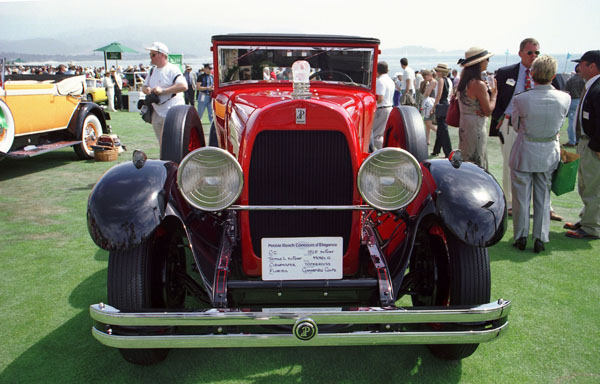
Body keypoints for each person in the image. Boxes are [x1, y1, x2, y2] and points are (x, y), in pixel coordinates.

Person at [490, 38, 563, 220]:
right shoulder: (506, 73)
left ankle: (546, 207)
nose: (534, 56)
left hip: (540, 127)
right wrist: (499, 119)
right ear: (520, 53)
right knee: (510, 164)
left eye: (537, 52)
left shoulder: (549, 74)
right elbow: (497, 98)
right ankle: (510, 204)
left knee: (544, 169)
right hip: (511, 124)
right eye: (530, 52)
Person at [510, 55, 570, 253]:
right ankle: (540, 237)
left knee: (521, 197)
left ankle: (520, 236)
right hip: (547, 151)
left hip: (525, 149)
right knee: (543, 197)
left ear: (533, 73)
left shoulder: (522, 98)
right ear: (553, 75)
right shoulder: (564, 98)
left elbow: (516, 125)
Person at [564, 50, 600, 240]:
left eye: (583, 64)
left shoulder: (597, 88)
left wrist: (597, 146)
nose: (579, 68)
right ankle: (586, 219)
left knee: (593, 187)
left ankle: (591, 227)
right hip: (586, 142)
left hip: (592, 145)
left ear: (592, 66)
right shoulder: (592, 86)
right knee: (586, 184)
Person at [456, 47, 497, 169]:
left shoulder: (463, 82)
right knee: (478, 160)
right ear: (479, 63)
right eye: (486, 59)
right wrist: (494, 95)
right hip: (476, 127)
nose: (488, 62)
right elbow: (488, 111)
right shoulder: (478, 84)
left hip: (464, 124)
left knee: (465, 159)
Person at [142, 42, 188, 145]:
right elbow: (144, 87)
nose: (151, 57)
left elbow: (183, 86)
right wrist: (147, 89)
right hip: (157, 111)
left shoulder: (173, 69)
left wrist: (163, 91)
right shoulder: (152, 70)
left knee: (174, 143)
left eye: (153, 55)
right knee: (162, 143)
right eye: (150, 55)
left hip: (172, 112)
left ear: (162, 55)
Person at [370, 61, 395, 151]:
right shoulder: (390, 80)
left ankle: (388, 153)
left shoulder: (380, 81)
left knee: (376, 135)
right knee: (381, 134)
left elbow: (380, 98)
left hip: (382, 109)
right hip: (388, 107)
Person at [431, 63, 453, 157]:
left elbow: (439, 94)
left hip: (441, 104)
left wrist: (434, 106)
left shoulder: (440, 80)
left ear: (440, 72)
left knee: (443, 129)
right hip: (447, 104)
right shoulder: (449, 80)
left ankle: (448, 152)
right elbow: (451, 94)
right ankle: (436, 150)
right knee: (441, 128)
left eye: (437, 71)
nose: (436, 72)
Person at [564, 64, 586, 147]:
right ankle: (578, 139)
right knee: (581, 122)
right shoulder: (584, 80)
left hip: (573, 100)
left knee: (572, 122)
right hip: (582, 100)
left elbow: (566, 91)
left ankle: (572, 141)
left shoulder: (570, 80)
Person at [196, 63, 215, 145]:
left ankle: (212, 132)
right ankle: (197, 131)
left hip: (209, 96)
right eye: (209, 69)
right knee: (200, 113)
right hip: (203, 96)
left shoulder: (212, 77)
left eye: (211, 69)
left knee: (211, 114)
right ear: (205, 69)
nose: (210, 70)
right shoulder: (201, 76)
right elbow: (198, 87)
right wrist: (208, 88)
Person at [419, 69, 437, 145]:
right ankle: (427, 140)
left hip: (430, 103)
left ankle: (439, 133)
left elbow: (426, 93)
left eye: (425, 77)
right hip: (431, 103)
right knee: (427, 123)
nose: (424, 79)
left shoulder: (432, 82)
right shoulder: (432, 82)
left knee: (427, 122)